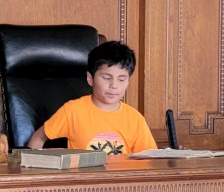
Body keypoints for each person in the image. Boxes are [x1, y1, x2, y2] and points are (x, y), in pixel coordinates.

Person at [26, 40, 157, 156]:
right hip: (83, 182)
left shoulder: (135, 119)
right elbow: (39, 137)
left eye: (122, 79)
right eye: (106, 78)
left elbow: (151, 159)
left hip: (120, 183)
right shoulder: (72, 111)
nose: (114, 85)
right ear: (90, 79)